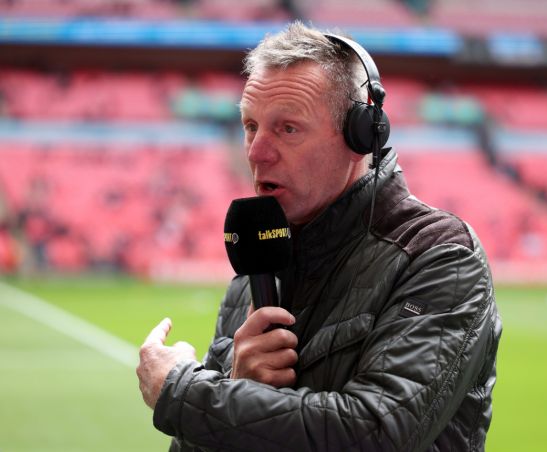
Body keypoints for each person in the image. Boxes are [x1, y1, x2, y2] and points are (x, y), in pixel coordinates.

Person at [137, 21, 502, 451]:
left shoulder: (439, 254)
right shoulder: (254, 270)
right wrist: (238, 387)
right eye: (251, 126)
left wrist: (185, 393)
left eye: (287, 129)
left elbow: (375, 432)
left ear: (361, 134)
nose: (255, 152)